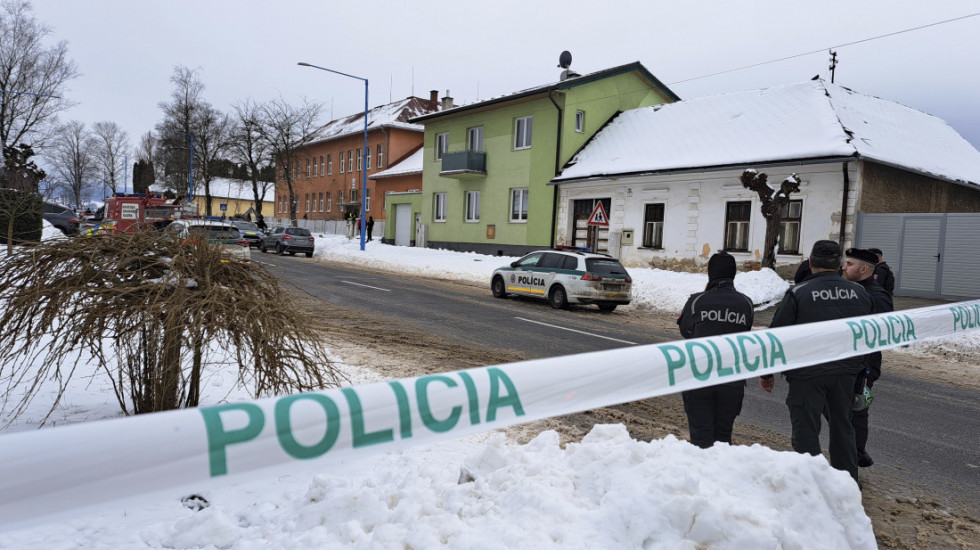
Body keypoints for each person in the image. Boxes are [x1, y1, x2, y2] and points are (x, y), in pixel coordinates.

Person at [759, 240, 874, 484]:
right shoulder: (860, 293)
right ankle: (847, 486)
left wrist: (767, 373)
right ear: (840, 265)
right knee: (843, 428)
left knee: (806, 431)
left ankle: (810, 487)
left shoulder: (799, 293)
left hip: (807, 374)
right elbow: (867, 335)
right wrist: (862, 372)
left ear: (811, 263)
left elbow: (776, 336)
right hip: (846, 373)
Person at [676, 252, 755, 448]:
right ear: (733, 274)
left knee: (701, 438)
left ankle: (704, 476)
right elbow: (745, 332)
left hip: (699, 378)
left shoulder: (696, 301)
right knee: (723, 438)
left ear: (710, 273)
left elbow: (686, 332)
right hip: (732, 380)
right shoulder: (746, 303)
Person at [843, 248, 894, 467]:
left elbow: (880, 334)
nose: (844, 267)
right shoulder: (850, 290)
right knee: (843, 410)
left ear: (864, 269)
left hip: (863, 365)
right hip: (848, 362)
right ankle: (853, 450)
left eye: (850, 264)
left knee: (857, 410)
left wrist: (865, 370)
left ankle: (856, 453)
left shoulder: (877, 296)